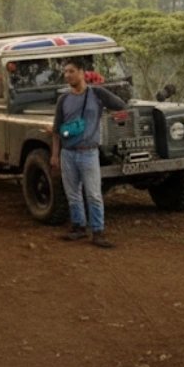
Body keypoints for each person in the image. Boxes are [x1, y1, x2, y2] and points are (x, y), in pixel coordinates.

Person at [51, 60, 127, 248]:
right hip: (68, 153)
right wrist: (55, 155)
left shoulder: (97, 94)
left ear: (82, 73)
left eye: (71, 71)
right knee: (73, 193)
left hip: (89, 152)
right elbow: (56, 129)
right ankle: (78, 227)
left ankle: (98, 231)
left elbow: (120, 105)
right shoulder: (63, 99)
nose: (67, 75)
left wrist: (104, 99)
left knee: (93, 194)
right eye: (65, 72)